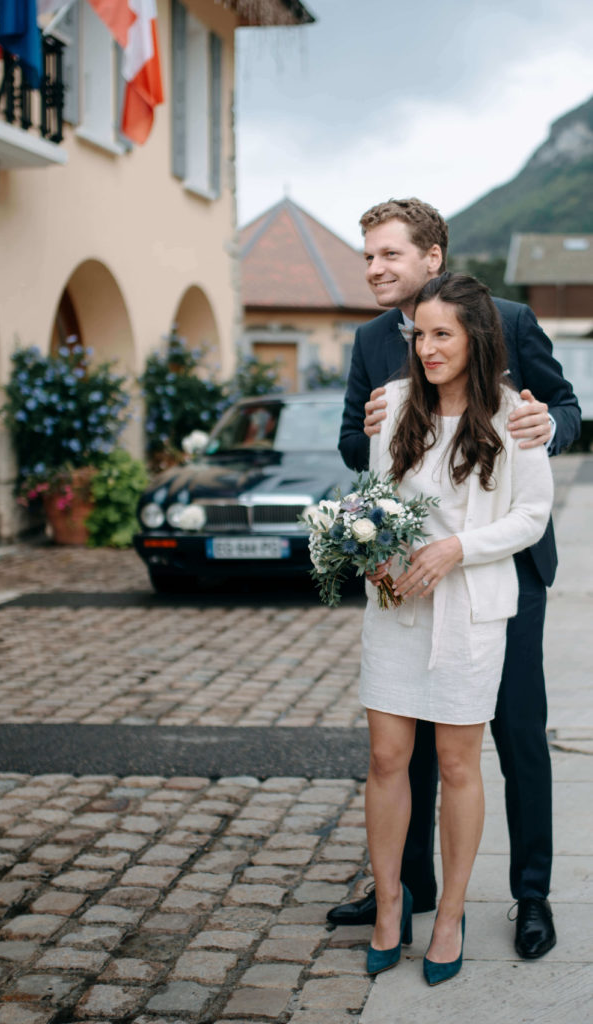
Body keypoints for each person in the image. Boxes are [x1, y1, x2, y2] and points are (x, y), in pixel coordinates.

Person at [330, 198, 581, 961]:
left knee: (509, 735)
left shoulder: (505, 319)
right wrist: (374, 426)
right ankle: (408, 887)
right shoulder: (372, 342)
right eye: (366, 256)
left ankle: (529, 893)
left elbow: (562, 406)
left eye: (388, 255)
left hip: (502, 576)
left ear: (431, 257)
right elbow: (354, 447)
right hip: (405, 578)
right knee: (405, 742)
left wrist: (547, 427)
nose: (374, 268)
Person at [360, 271, 554, 983]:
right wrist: (372, 555)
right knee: (385, 760)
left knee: (456, 764)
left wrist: (455, 549)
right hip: (395, 608)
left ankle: (448, 917)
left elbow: (530, 516)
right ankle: (389, 906)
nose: (428, 347)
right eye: (420, 334)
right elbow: (373, 498)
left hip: (471, 612)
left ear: (476, 337)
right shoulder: (394, 406)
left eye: (443, 333)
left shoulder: (513, 415)